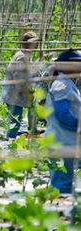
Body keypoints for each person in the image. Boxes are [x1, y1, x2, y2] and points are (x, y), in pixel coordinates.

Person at [45, 49, 81, 194]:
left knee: (66, 182)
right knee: (62, 186)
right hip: (60, 143)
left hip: (67, 141)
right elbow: (63, 115)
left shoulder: (68, 83)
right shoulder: (62, 85)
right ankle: (58, 214)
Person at [2, 31, 39, 139]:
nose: (35, 45)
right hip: (14, 94)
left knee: (19, 119)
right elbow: (19, 80)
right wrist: (28, 92)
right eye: (33, 43)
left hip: (17, 94)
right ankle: (10, 145)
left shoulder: (26, 55)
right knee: (15, 123)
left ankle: (30, 134)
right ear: (25, 44)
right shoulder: (21, 57)